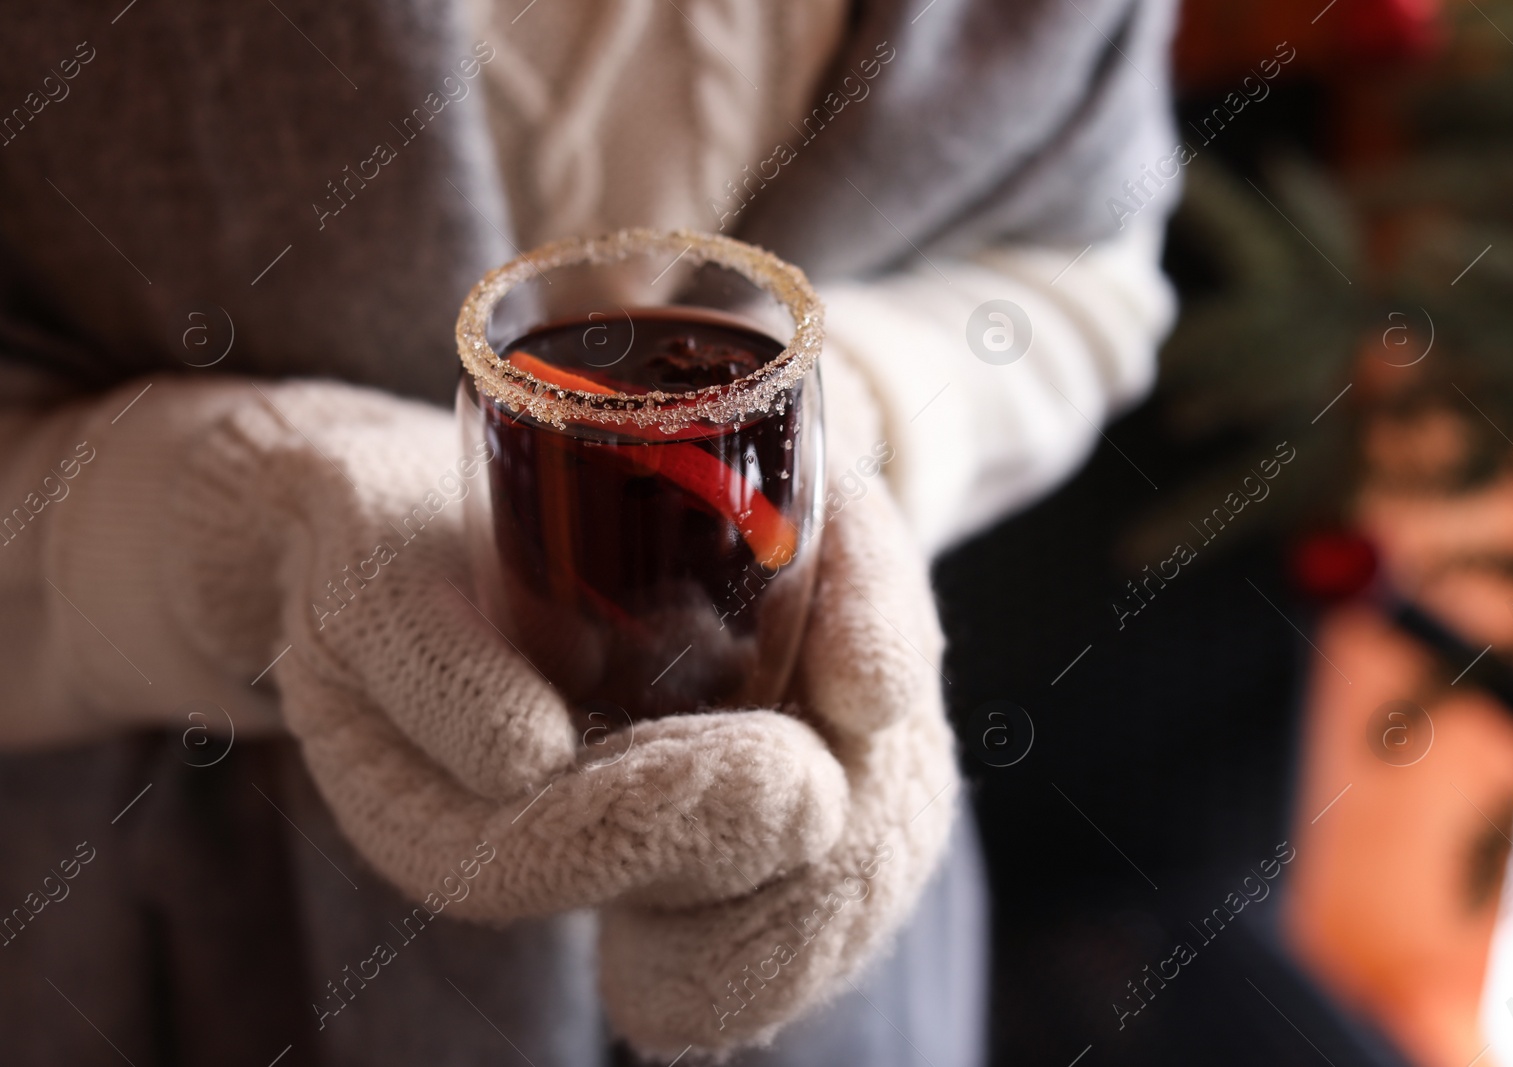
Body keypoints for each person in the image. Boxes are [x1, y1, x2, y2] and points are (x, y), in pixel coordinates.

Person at [0, 0, 1179, 1063]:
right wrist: (240, 521)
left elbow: (1081, 258)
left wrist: (842, 441)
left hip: (830, 968)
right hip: (184, 944)